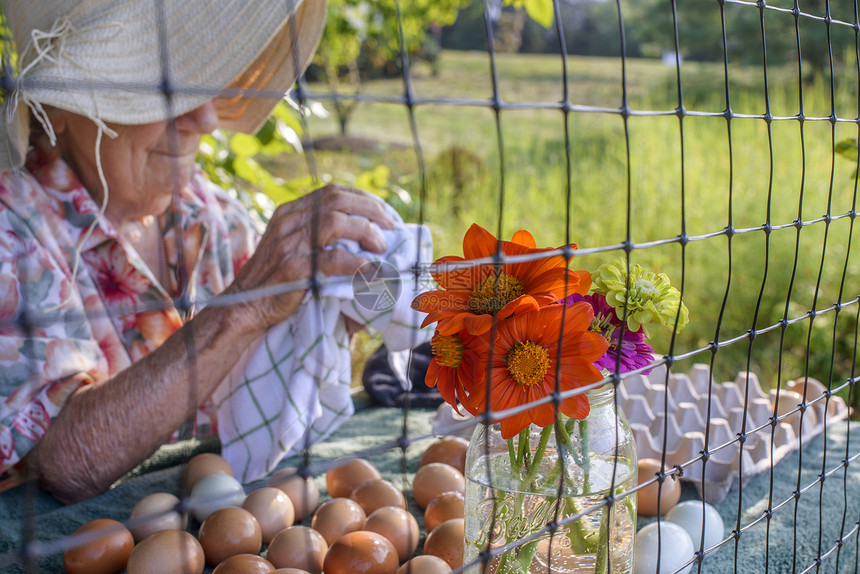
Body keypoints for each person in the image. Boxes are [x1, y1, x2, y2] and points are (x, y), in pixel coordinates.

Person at [0, 0, 396, 504]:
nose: (207, 117)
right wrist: (247, 303)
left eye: (202, 82)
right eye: (165, 88)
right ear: (60, 106)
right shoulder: (13, 232)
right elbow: (64, 461)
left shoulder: (205, 212)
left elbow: (278, 353)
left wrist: (340, 305)